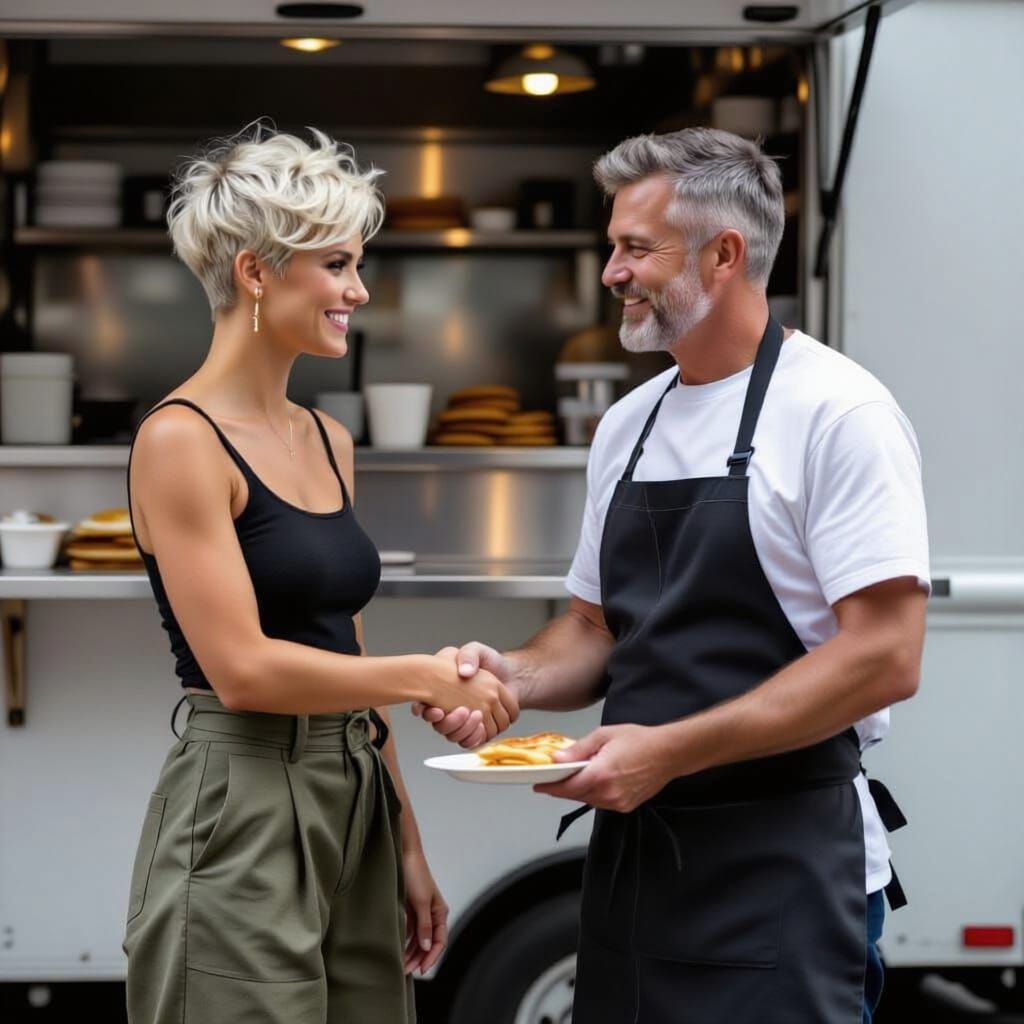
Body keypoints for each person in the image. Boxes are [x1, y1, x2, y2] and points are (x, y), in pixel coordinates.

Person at [417, 127, 929, 1023]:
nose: (612, 271)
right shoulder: (629, 424)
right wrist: (512, 678)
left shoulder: (839, 414)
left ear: (724, 254)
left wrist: (666, 752)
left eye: (634, 248)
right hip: (637, 865)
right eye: (612, 246)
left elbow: (886, 656)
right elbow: (593, 630)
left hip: (784, 869)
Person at [122, 124, 518, 1024]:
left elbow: (344, 648)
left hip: (357, 797)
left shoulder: (329, 440)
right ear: (257, 272)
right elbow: (247, 671)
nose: (358, 290)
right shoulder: (180, 440)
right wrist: (425, 672)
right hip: (243, 801)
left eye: (357, 264)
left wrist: (408, 844)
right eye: (336, 265)